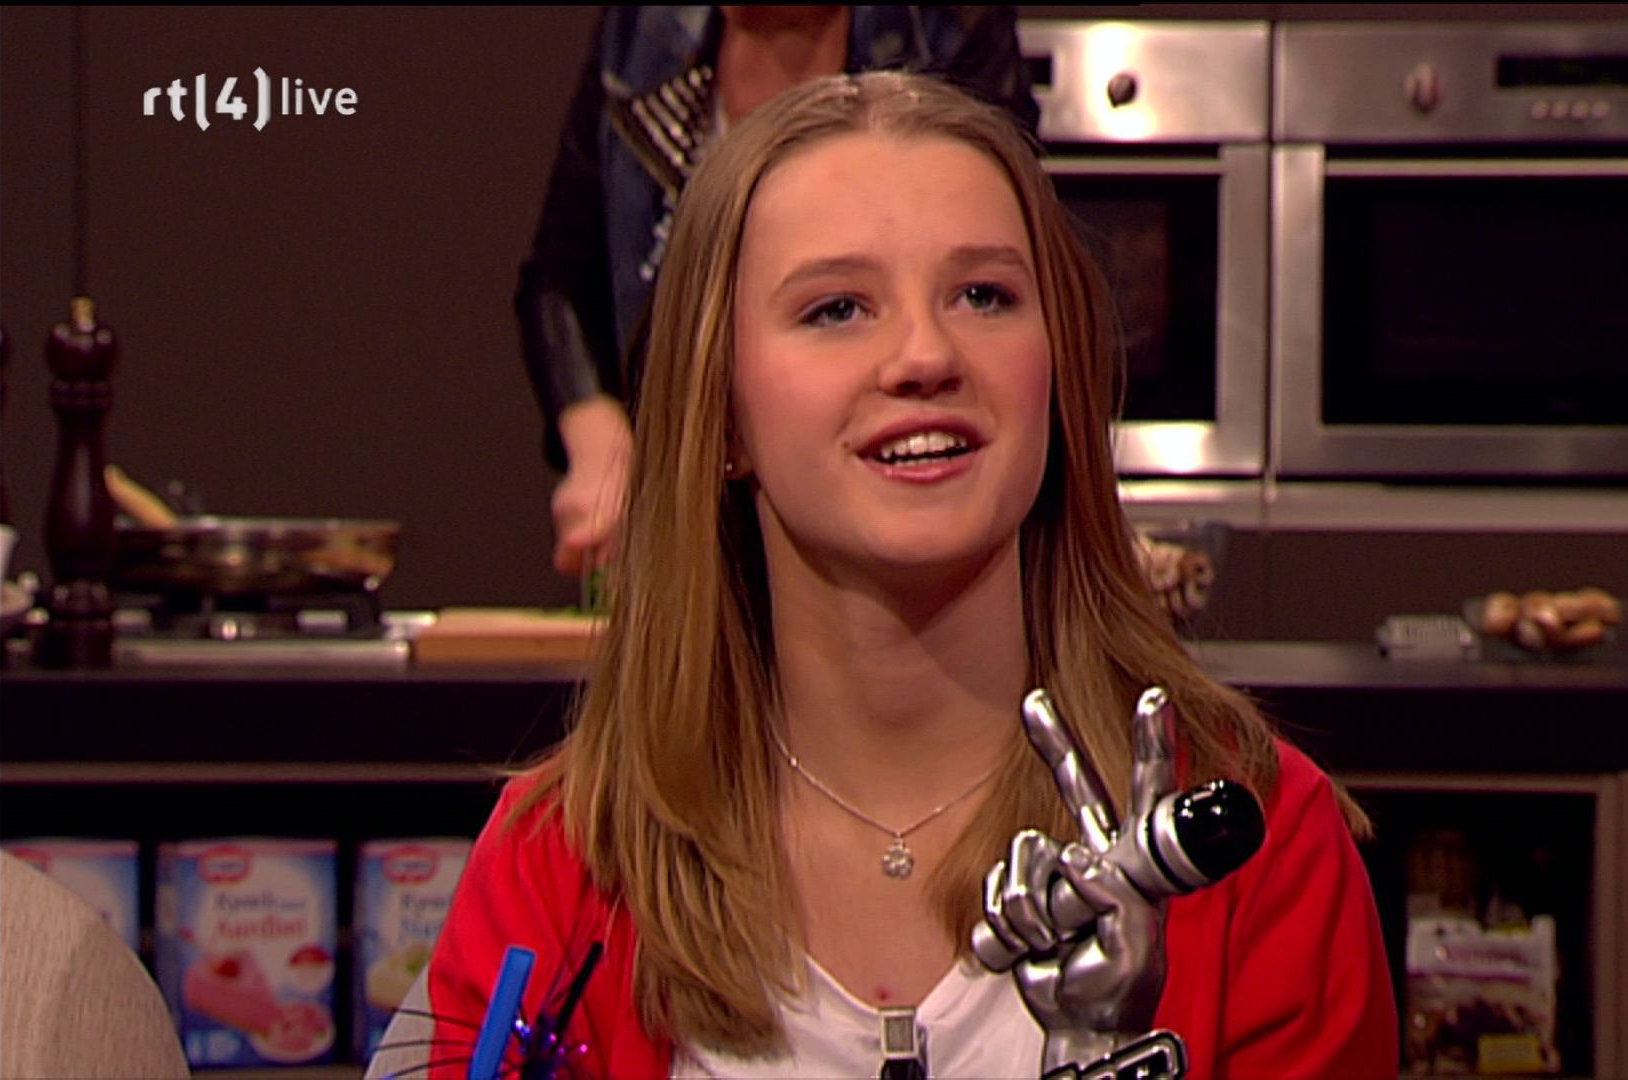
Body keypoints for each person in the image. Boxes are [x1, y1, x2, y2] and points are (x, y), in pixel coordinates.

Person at [423, 72, 1398, 1078]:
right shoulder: (561, 864)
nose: (926, 355)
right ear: (722, 417)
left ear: (1056, 372)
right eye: (838, 308)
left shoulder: (1249, 842)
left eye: (984, 296)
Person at [515, 6, 1037, 576]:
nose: (924, 356)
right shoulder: (643, 35)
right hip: (696, 545)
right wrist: (601, 445)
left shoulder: (947, 29)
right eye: (834, 310)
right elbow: (562, 276)